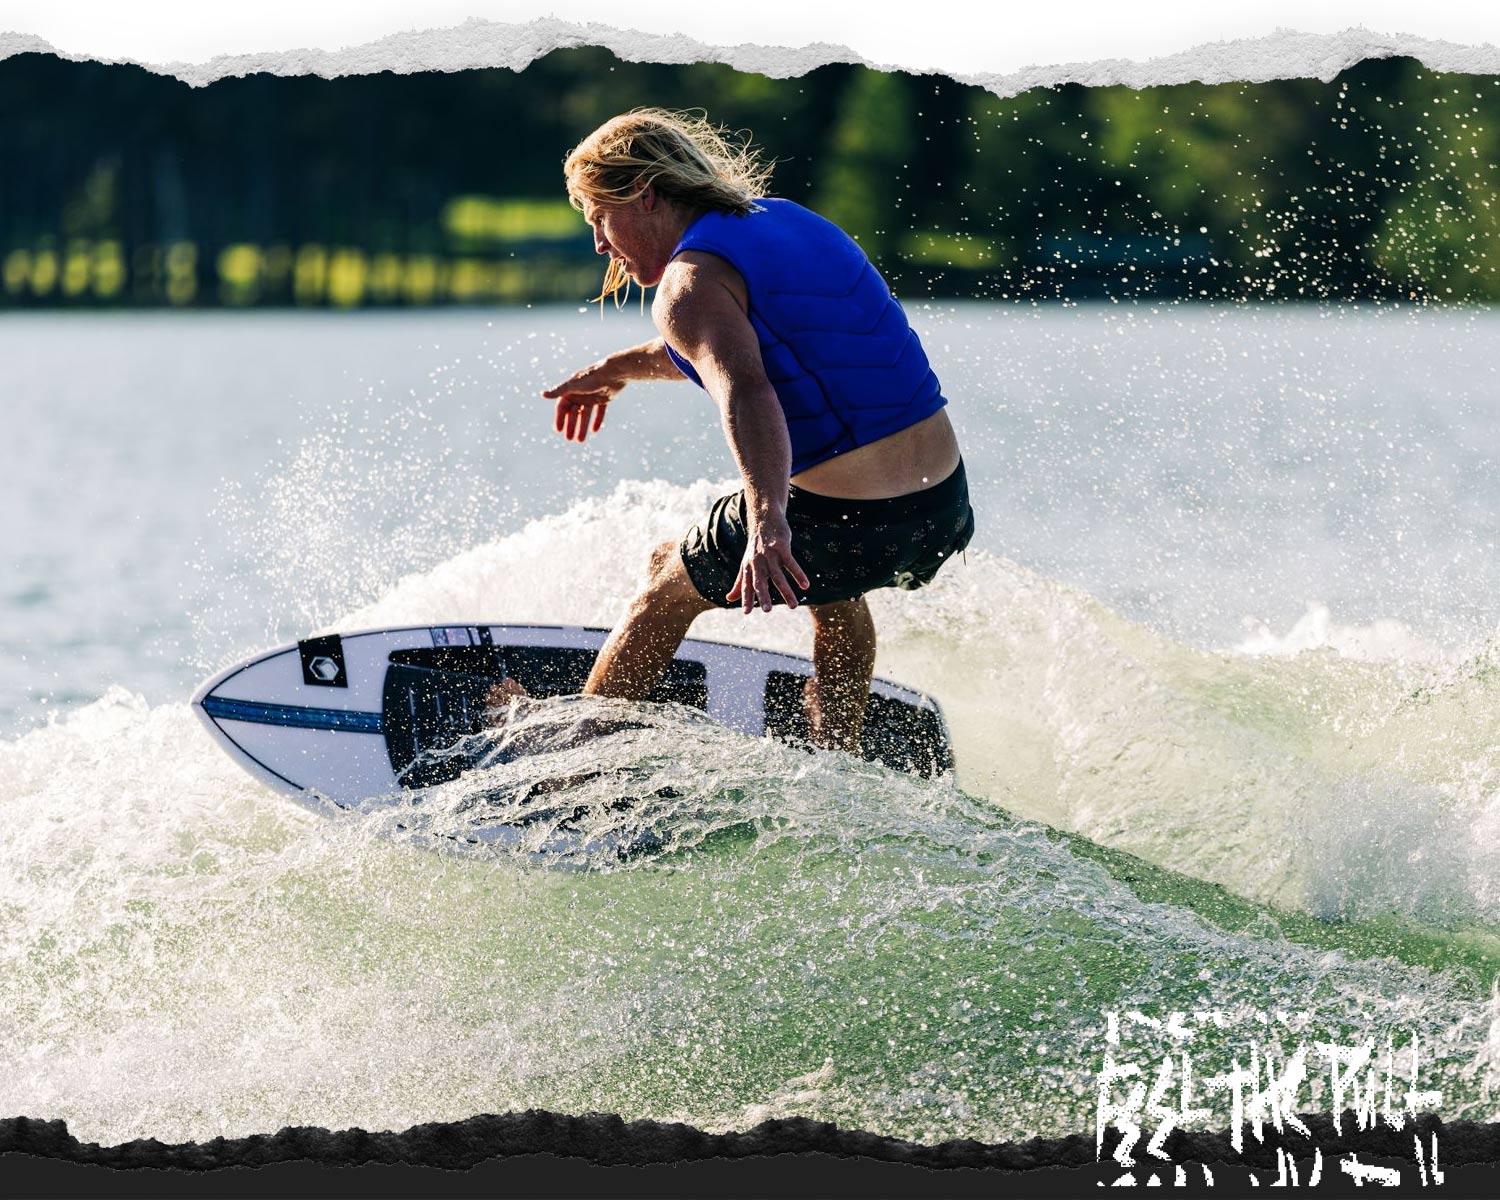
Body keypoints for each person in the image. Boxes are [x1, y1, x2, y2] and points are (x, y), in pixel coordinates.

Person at [542, 108, 973, 752]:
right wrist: (616, 370)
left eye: (600, 217)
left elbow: (747, 387)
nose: (601, 244)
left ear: (646, 194)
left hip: (849, 519)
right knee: (830, 579)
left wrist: (768, 521)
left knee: (666, 578)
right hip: (940, 511)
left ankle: (575, 763)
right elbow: (734, 343)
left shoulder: (687, 283)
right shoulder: (790, 221)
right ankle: (838, 752)